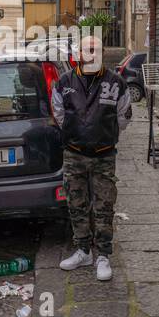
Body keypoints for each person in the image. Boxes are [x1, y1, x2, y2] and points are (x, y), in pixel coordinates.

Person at [53, 34, 132, 282]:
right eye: (87, 49)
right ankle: (83, 250)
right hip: (74, 153)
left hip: (104, 155)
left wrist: (104, 135)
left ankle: (103, 256)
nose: (91, 54)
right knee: (76, 203)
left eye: (96, 50)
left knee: (104, 205)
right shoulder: (64, 82)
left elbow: (123, 116)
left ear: (103, 53)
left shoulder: (116, 82)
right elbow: (58, 113)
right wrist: (77, 132)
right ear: (78, 54)